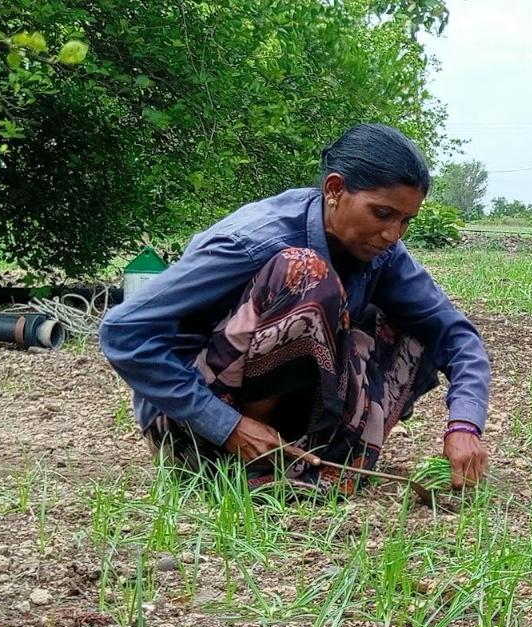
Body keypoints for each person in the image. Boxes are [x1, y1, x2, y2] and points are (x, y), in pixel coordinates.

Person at [101, 124, 490, 493]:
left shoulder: (381, 253)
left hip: (282, 423)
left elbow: (455, 334)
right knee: (304, 274)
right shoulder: (252, 240)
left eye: (406, 221)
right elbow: (123, 330)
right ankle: (248, 469)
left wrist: (464, 425)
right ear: (334, 189)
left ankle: (322, 458)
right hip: (196, 426)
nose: (392, 234)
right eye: (382, 213)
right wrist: (228, 426)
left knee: (415, 323)